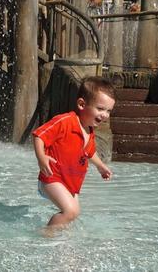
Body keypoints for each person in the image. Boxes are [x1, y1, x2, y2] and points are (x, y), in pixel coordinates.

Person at [32, 76, 116, 229]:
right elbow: (39, 135)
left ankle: (61, 243)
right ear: (82, 104)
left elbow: (90, 152)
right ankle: (45, 236)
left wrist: (100, 166)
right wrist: (41, 157)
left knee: (72, 215)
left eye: (109, 110)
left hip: (70, 183)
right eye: (100, 108)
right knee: (70, 211)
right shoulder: (65, 121)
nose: (105, 115)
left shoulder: (89, 131)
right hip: (52, 177)